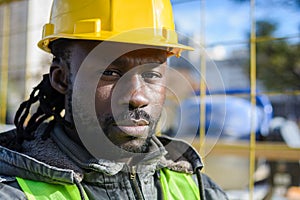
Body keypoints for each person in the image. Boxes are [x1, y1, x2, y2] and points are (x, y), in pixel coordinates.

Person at [0, 0, 228, 199]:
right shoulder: (15, 190)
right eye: (110, 73)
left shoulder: (197, 189)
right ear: (62, 78)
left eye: (151, 74)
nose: (137, 97)